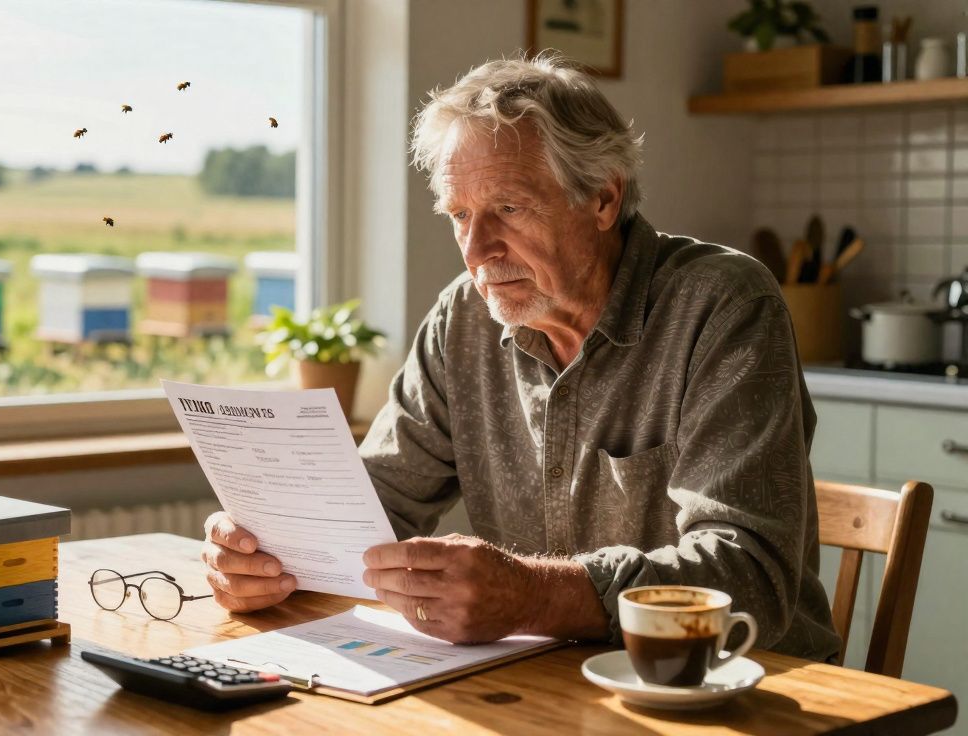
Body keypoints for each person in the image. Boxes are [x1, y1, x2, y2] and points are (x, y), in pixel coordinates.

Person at [199, 53, 841, 661]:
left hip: (741, 689)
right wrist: (265, 550)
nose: (477, 249)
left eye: (508, 208)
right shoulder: (463, 318)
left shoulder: (722, 304)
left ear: (603, 199)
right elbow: (374, 505)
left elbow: (748, 575)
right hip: (554, 684)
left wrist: (533, 595)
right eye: (459, 214)